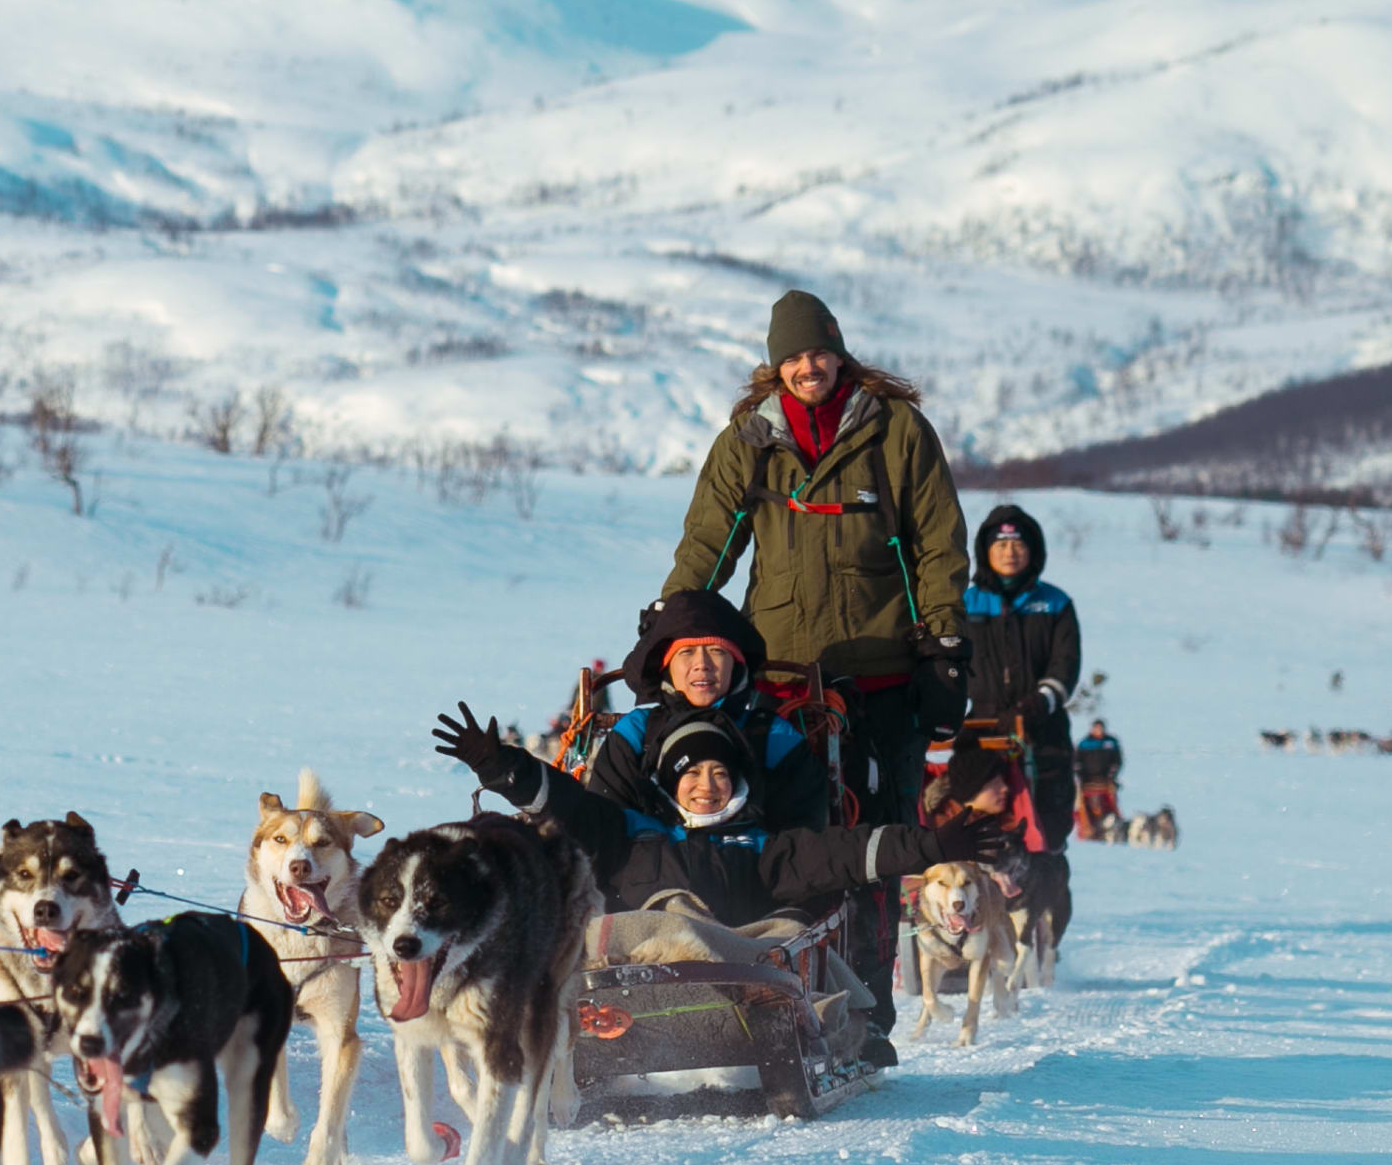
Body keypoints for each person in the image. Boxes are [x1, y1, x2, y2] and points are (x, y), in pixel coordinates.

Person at [660, 289, 969, 1057]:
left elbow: (937, 543)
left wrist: (944, 644)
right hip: (782, 679)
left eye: (818, 352)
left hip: (881, 674)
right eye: (791, 357)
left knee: (875, 844)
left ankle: (865, 1019)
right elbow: (710, 540)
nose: (808, 367)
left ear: (840, 351)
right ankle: (776, 998)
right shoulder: (750, 441)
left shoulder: (896, 432)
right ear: (775, 366)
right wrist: (676, 621)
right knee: (783, 844)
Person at [432, 702, 1011, 937]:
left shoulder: (766, 848)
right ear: (670, 784)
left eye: (720, 775)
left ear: (739, 783)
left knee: (778, 939)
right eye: (691, 775)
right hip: (642, 959)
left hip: (740, 964)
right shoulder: (632, 834)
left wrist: (935, 845)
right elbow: (565, 802)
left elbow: (849, 850)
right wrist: (500, 764)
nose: (706, 787)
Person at [575, 591, 837, 830]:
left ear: (735, 665)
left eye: (716, 651)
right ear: (667, 666)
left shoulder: (775, 738)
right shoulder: (636, 734)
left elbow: (801, 840)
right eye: (687, 652)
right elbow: (606, 830)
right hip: (652, 879)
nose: (702, 664)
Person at [959, 502, 1081, 939]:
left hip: (1041, 727)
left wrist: (1039, 702)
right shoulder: (965, 602)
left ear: (1033, 550)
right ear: (985, 550)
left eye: (1018, 543)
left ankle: (1042, 916)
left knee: (1046, 827)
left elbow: (1066, 667)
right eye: (1000, 543)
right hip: (979, 730)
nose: (1010, 552)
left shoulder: (1054, 603)